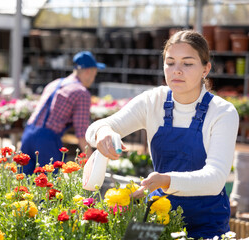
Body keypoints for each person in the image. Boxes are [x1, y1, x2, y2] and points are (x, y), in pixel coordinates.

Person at [85, 30, 239, 239]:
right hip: (159, 218)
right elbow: (96, 128)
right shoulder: (153, 101)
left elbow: (215, 179)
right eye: (170, 62)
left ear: (206, 68)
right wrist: (104, 132)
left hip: (206, 224)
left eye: (187, 63)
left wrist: (165, 180)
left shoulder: (222, 112)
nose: (177, 70)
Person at [21, 51, 105, 175]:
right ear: (88, 71)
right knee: (51, 188)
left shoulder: (55, 83)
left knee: (22, 184)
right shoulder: (81, 93)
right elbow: (82, 133)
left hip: (28, 135)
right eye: (94, 75)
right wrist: (92, 162)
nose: (93, 79)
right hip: (47, 141)